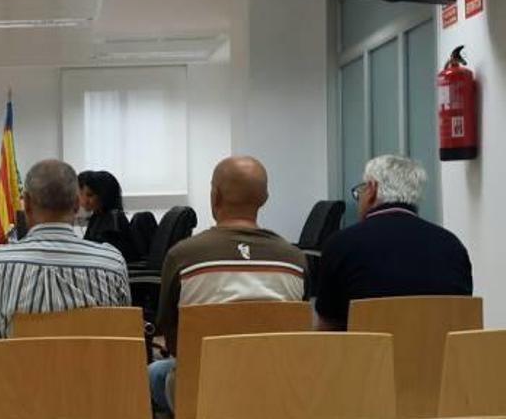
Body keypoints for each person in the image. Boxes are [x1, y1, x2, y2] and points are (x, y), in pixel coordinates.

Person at [0, 160, 132, 419]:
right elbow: (121, 337)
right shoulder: (111, 262)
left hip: (12, 397)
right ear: (76, 203)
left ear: (25, 205)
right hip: (92, 396)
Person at [148, 156, 306, 417]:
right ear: (264, 198)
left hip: (202, 392)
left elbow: (176, 343)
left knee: (154, 372)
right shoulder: (295, 260)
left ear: (215, 196)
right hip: (276, 390)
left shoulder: (183, 256)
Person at [314, 155, 473, 330]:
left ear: (372, 189)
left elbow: (327, 332)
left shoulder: (341, 244)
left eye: (360, 191)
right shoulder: (452, 246)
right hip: (441, 357)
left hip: (368, 356)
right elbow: (462, 323)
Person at [79, 170, 139, 263]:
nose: (84, 200)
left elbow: (103, 256)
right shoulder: (97, 216)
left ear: (105, 196)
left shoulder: (113, 220)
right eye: (82, 194)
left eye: (90, 195)